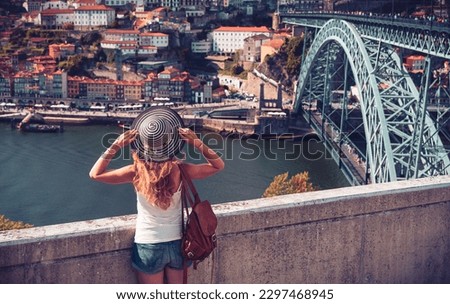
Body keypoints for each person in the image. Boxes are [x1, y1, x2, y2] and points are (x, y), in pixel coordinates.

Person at [89, 127, 225, 284]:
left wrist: (117, 145)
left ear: (141, 147)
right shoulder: (181, 170)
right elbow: (218, 165)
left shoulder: (135, 172)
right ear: (171, 146)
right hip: (179, 244)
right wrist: (196, 142)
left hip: (148, 244)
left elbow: (95, 174)